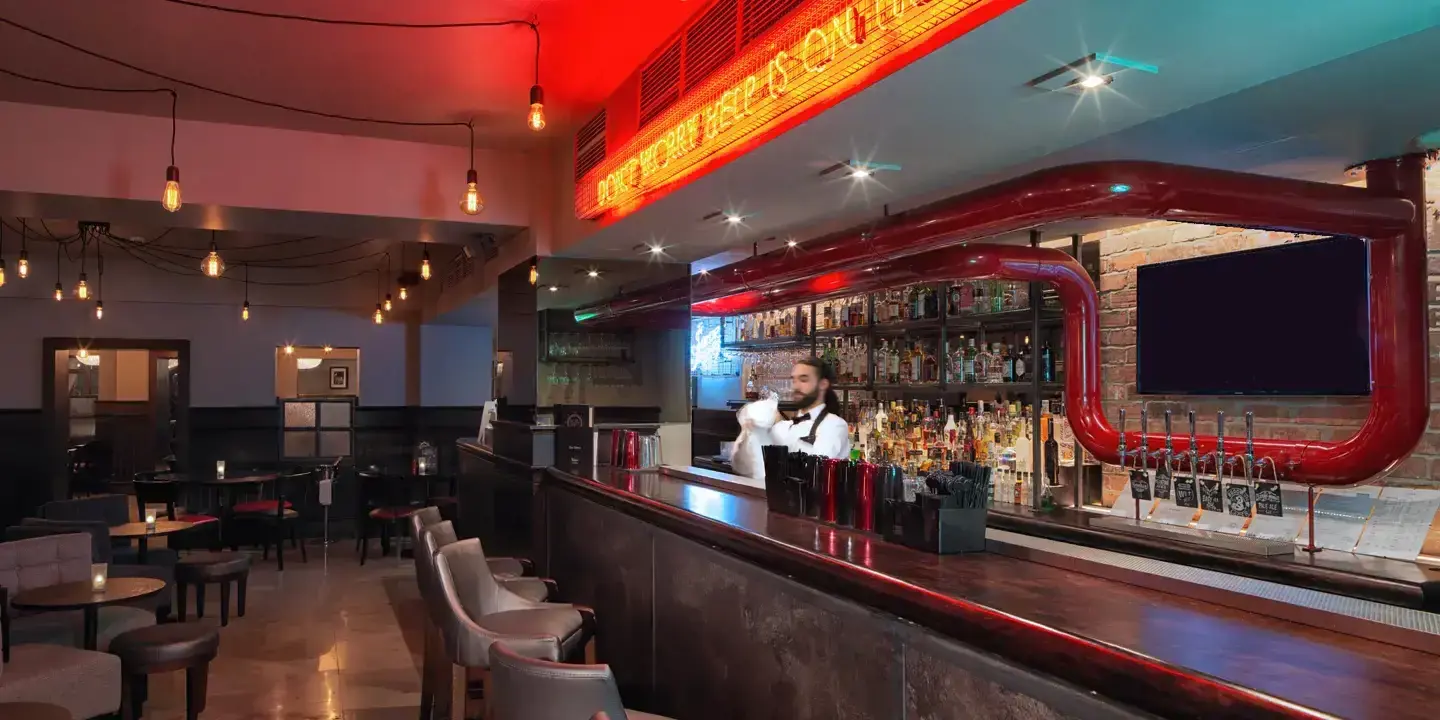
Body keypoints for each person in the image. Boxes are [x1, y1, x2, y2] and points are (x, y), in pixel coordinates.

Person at [770, 356, 852, 459]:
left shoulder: (834, 425)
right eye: (794, 381)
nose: (795, 387)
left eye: (803, 380)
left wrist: (778, 435)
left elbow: (816, 464)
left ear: (823, 384)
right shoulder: (783, 427)